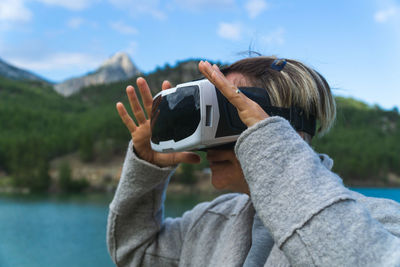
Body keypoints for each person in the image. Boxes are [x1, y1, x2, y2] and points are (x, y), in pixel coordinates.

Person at [107, 56, 400, 266]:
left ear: (284, 131)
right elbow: (136, 252)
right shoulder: (212, 221)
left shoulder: (383, 223)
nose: (209, 146)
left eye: (228, 114)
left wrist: (271, 154)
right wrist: (147, 171)